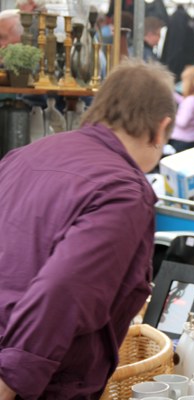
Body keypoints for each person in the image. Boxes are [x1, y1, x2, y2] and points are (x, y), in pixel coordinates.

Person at [0, 60, 176, 399]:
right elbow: (64, 291)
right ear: (160, 129)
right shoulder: (123, 190)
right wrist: (10, 382)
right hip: (33, 385)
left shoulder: (21, 156)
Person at [169, 65, 194, 152]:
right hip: (193, 139)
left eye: (184, 81)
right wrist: (172, 93)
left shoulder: (190, 101)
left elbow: (182, 122)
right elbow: (184, 102)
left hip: (181, 141)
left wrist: (171, 116)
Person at [161, 4, 194, 82]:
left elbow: (172, 48)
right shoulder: (186, 22)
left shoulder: (175, 20)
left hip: (173, 68)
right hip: (183, 69)